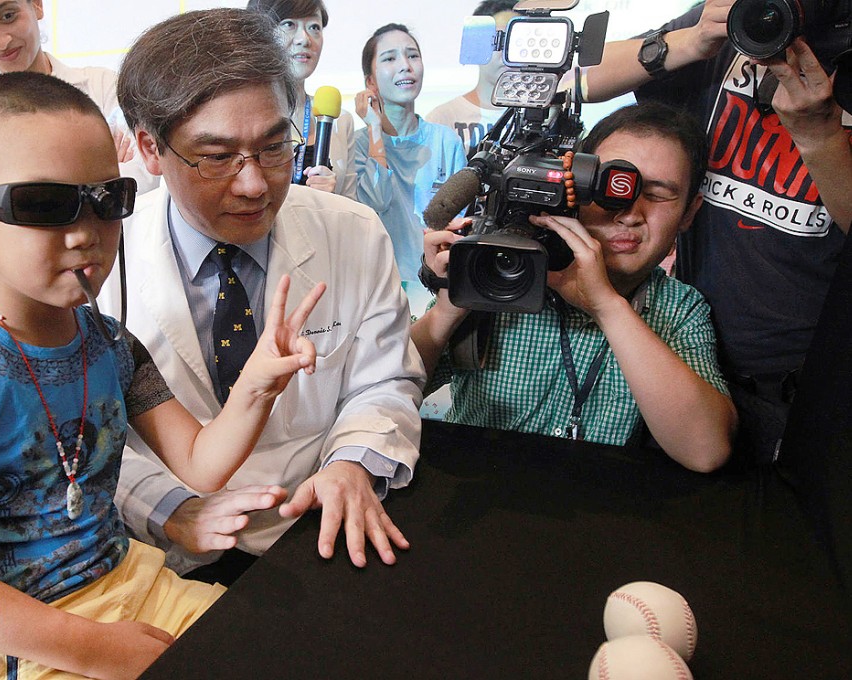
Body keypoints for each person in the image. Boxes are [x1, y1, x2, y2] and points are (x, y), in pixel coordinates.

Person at [0, 71, 326, 680]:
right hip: (11, 634)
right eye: (43, 206)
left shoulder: (109, 343)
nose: (84, 235)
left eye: (107, 202)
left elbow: (200, 464)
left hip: (132, 582)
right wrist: (93, 648)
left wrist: (257, 383)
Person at [103, 7, 425, 585]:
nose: (254, 184)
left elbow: (384, 380)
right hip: (161, 548)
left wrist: (352, 463)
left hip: (316, 524)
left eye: (276, 147)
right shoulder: (104, 261)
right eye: (218, 157)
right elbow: (82, 433)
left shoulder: (351, 232)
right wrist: (167, 508)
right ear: (150, 149)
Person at [575, 0, 852, 464]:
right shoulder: (746, 17)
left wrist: (820, 138)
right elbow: (582, 79)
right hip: (682, 341)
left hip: (800, 381)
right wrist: (690, 40)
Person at [412, 103, 736, 473]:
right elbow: (384, 392)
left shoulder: (678, 309)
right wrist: (448, 309)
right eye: (610, 185)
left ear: (690, 212)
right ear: (573, 185)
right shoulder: (499, 268)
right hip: (476, 489)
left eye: (658, 195)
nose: (629, 212)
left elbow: (705, 450)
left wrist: (608, 307)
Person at [0, 0, 157, 193]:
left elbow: (147, 175)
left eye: (8, 16)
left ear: (37, 4)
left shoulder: (104, 86)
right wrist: (98, 172)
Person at [354, 23, 467, 293]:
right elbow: (377, 200)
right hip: (377, 287)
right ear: (370, 81)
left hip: (438, 282)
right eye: (390, 58)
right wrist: (374, 129)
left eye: (412, 55)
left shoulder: (445, 140)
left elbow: (459, 223)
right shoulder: (357, 143)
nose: (405, 65)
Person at [247, 0, 358, 200]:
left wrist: (334, 201)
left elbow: (352, 210)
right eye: (289, 24)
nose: (304, 39)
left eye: (314, 27)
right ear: (258, 33)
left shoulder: (340, 120)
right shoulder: (242, 118)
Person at [426, 0, 520, 155]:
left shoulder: (546, 119)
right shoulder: (443, 118)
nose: (506, 52)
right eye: (498, 40)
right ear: (477, 45)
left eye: (516, 42)